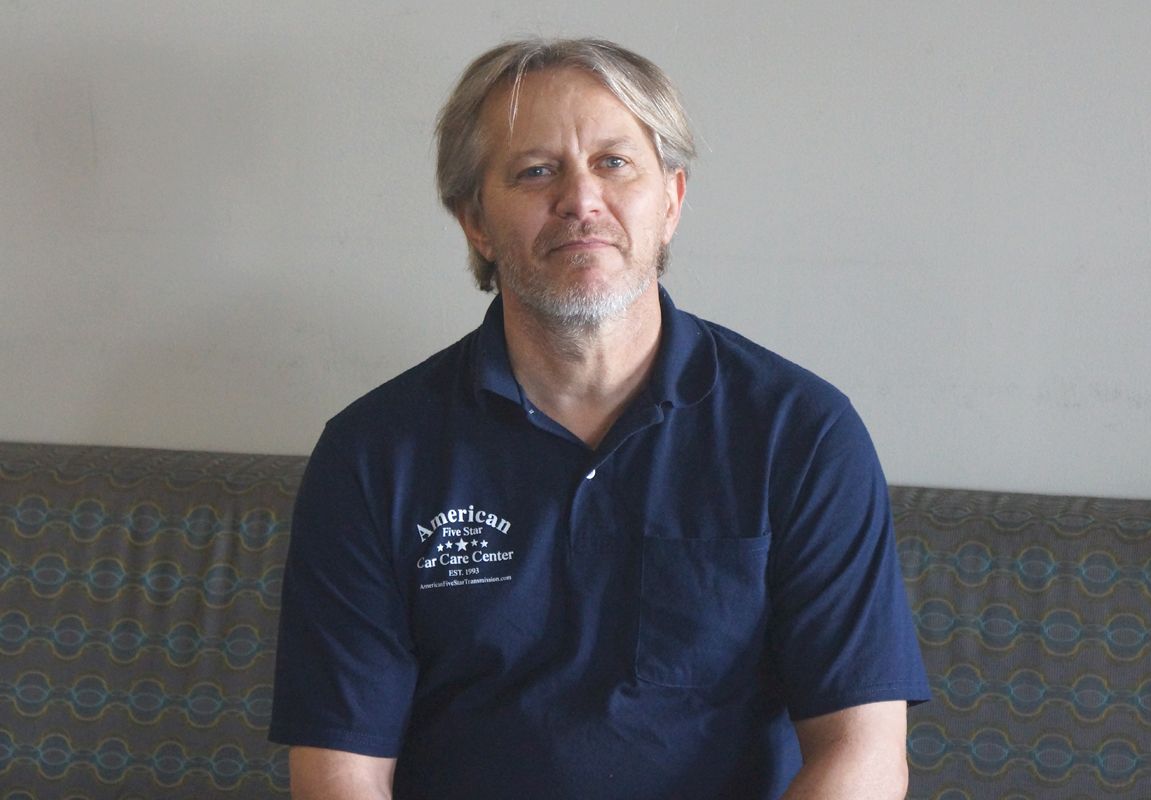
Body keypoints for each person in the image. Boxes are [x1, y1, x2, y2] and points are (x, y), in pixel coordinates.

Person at [269, 37, 930, 800]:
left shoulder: (802, 434)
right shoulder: (372, 454)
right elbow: (340, 772)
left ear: (671, 201)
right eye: (535, 170)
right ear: (475, 221)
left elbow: (863, 755)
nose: (581, 200)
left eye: (614, 163)